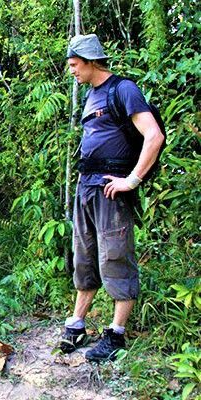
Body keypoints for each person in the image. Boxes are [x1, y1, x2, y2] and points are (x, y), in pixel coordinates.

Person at [60, 34, 164, 361]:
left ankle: (115, 335)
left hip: (110, 189)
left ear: (91, 61)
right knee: (85, 257)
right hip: (86, 189)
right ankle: (77, 324)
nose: (72, 71)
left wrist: (131, 181)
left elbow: (154, 135)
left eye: (75, 65)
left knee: (115, 258)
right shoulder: (91, 96)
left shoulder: (124, 89)